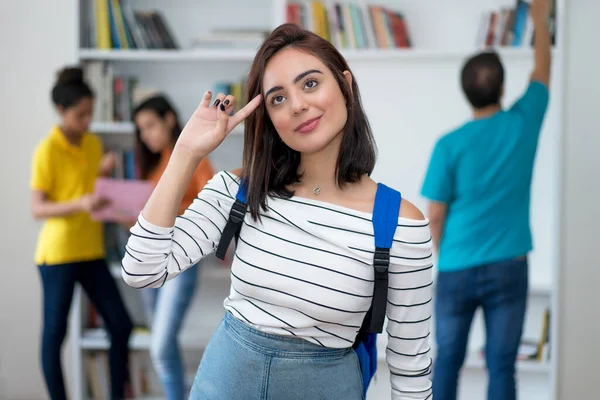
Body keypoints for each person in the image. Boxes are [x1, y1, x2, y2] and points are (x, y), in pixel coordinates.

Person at [122, 24, 433, 400]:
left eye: (311, 84)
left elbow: (410, 369)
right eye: (278, 99)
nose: (298, 105)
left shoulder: (401, 224)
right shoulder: (238, 191)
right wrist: (186, 152)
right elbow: (141, 270)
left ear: (346, 86)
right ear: (269, 118)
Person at [420, 1, 552, 399]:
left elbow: (436, 214)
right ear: (502, 87)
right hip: (509, 267)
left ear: (465, 92)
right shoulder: (522, 124)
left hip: (457, 267)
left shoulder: (449, 145)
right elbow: (543, 71)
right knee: (501, 366)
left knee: (446, 362)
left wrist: (447, 255)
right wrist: (541, 20)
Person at [31, 66, 133, 400]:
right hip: (57, 254)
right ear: (61, 111)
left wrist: (103, 181)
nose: (87, 121)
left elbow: (91, 194)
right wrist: (81, 202)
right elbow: (38, 208)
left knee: (120, 325)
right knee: (55, 335)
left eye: (91, 113)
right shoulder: (47, 150)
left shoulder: (93, 145)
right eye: (80, 115)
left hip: (91, 251)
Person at [129, 94, 215, 400]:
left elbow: (211, 203)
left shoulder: (194, 158)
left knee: (161, 345)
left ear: (169, 119)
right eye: (141, 129)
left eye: (151, 125)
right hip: (148, 257)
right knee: (161, 344)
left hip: (179, 257)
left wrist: (173, 213)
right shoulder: (150, 166)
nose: (146, 135)